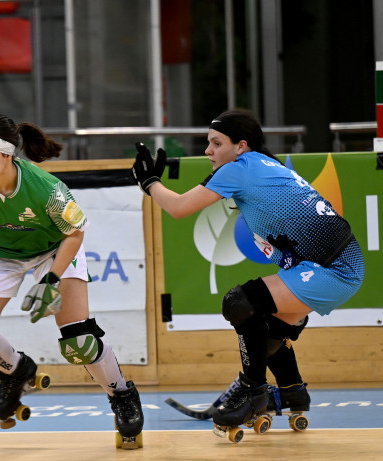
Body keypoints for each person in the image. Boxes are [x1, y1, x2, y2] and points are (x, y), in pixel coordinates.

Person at [131, 108, 364, 430]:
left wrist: (149, 182)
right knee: (265, 331)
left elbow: (180, 208)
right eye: (207, 143)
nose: (207, 151)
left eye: (216, 143)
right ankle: (292, 393)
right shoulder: (261, 164)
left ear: (240, 146)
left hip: (331, 269)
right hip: (339, 266)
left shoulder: (239, 168)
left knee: (239, 302)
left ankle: (253, 392)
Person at [0, 113, 144, 442]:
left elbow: (74, 234)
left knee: (79, 344)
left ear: (7, 154)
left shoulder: (47, 189)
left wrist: (51, 279)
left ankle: (123, 395)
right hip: (0, 253)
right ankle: (16, 372)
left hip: (53, 251)